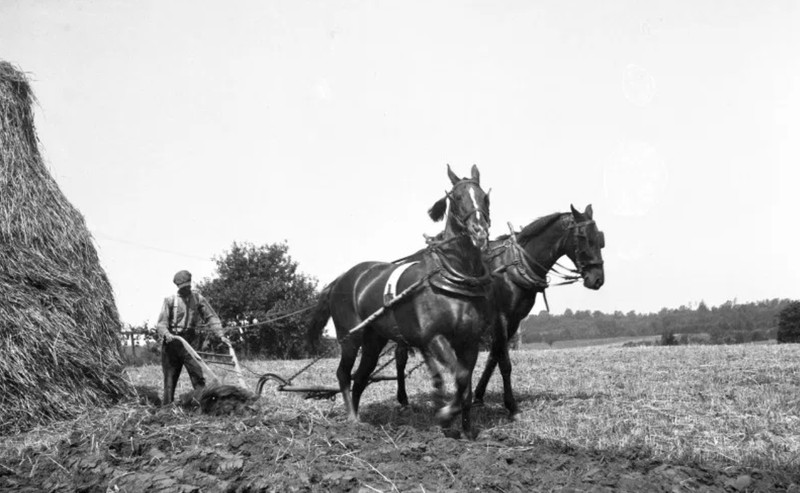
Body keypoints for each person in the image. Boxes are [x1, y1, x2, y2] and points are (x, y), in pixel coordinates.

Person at [155, 269, 229, 405]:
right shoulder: (170, 300)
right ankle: (166, 408)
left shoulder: (198, 298)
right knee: (170, 378)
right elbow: (161, 324)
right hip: (172, 343)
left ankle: (204, 404)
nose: (186, 289)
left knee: (197, 375)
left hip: (190, 341)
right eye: (183, 287)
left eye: (188, 286)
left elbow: (211, 317)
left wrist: (220, 335)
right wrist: (167, 334)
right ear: (178, 286)